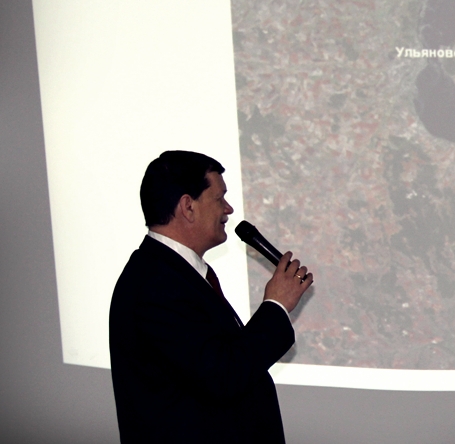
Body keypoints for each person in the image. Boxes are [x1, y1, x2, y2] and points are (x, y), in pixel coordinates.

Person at [109, 150, 313, 443]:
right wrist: (276, 305)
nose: (228, 209)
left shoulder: (173, 273)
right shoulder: (154, 284)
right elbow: (222, 376)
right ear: (188, 207)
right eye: (219, 198)